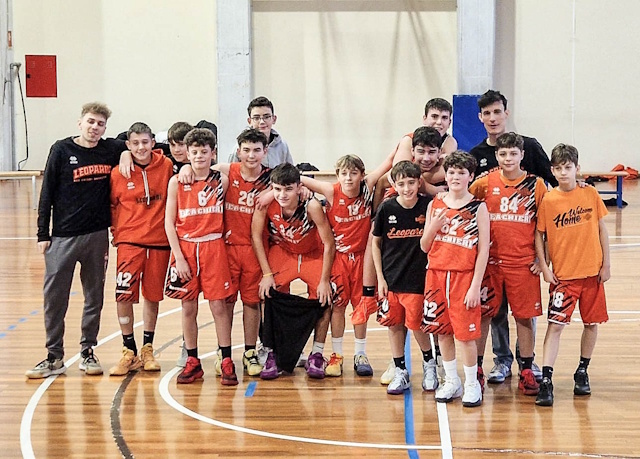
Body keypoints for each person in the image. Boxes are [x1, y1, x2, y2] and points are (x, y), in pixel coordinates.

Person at [27, 102, 128, 379]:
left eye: (100, 124)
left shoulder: (110, 149)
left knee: (94, 297)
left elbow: (139, 142)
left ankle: (87, 351)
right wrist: (42, 233)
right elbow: (46, 192)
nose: (95, 127)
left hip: (97, 237)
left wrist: (126, 153)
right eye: (91, 122)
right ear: (80, 122)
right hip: (62, 237)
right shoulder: (61, 149)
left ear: (105, 128)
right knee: (54, 299)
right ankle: (54, 356)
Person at [470, 90, 555, 384]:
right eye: (487, 113)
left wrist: (544, 260)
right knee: (491, 314)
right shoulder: (481, 172)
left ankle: (527, 365)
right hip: (491, 260)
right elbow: (464, 203)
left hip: (523, 259)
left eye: (497, 111)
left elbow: (549, 212)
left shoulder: (532, 164)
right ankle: (494, 362)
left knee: (524, 315)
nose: (493, 117)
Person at [300, 152, 392, 377]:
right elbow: (297, 177)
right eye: (343, 173)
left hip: (363, 259)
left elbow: (388, 162)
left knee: (361, 306)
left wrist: (407, 140)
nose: (348, 178)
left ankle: (360, 353)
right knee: (338, 307)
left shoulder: (368, 188)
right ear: (337, 175)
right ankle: (337, 354)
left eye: (353, 173)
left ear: (362, 175)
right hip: (339, 258)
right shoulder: (331, 191)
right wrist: (300, 186)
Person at [534, 143, 610, 406]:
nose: (564, 172)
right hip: (564, 277)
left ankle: (582, 370)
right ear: (553, 170)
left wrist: (607, 264)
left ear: (577, 168)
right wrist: (545, 267)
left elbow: (601, 229)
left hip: (592, 274)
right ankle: (546, 379)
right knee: (555, 326)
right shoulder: (549, 200)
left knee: (591, 324)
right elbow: (539, 235)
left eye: (568, 167)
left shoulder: (590, 194)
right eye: (558, 168)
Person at [164, 128, 235, 385]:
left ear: (212, 153)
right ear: (187, 153)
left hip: (213, 247)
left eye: (204, 152)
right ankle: (192, 360)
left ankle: (226, 358)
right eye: (194, 152)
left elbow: (234, 168)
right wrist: (179, 257)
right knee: (188, 307)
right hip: (186, 248)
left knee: (218, 306)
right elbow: (169, 223)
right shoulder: (176, 182)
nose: (199, 157)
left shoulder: (221, 180)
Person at [251, 163, 335, 379]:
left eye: (288, 189)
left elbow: (329, 243)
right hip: (285, 251)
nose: (282, 195)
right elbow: (256, 237)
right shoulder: (266, 204)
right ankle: (271, 351)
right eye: (277, 189)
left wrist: (324, 280)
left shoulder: (312, 206)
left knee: (326, 297)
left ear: (299, 187)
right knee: (267, 294)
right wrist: (266, 274)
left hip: (311, 254)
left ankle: (317, 353)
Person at [420, 151, 490, 407]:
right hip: (436, 276)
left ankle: (472, 383)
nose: (455, 177)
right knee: (442, 332)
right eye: (451, 172)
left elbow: (484, 251)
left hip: (464, 278)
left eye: (461, 173)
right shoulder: (435, 205)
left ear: (470, 176)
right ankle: (452, 380)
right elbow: (424, 246)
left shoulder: (478, 207)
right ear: (445, 175)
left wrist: (475, 285)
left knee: (466, 336)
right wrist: (432, 228)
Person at [107, 122, 173, 376]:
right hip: (129, 243)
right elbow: (112, 206)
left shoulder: (166, 166)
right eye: (134, 143)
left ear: (153, 143)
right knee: (123, 295)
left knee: (152, 296)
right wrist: (118, 234)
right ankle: (128, 349)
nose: (140, 147)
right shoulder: (118, 173)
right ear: (127, 145)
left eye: (145, 142)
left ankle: (147, 348)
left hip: (159, 242)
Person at [371, 160, 438, 395]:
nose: (407, 188)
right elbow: (376, 243)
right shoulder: (386, 208)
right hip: (391, 278)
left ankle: (429, 364)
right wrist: (380, 278)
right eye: (401, 184)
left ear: (419, 183)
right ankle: (400, 370)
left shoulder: (428, 206)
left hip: (418, 279)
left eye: (411, 183)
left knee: (417, 325)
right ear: (394, 185)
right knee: (394, 324)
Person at [229, 96, 293, 168]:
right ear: (249, 121)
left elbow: (290, 172)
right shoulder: (240, 148)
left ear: (274, 119)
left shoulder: (282, 146)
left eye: (266, 117)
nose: (262, 122)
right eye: (256, 118)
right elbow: (231, 172)